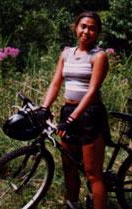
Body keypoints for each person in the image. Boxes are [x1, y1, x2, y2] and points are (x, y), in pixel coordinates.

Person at [41, 11, 111, 209]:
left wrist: (72, 119)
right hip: (68, 111)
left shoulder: (99, 56)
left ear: (97, 33)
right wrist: (44, 107)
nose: (86, 31)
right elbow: (55, 83)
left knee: (92, 173)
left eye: (92, 28)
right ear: (75, 27)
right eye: (83, 26)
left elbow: (92, 91)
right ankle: (71, 204)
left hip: (90, 114)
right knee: (69, 166)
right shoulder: (66, 54)